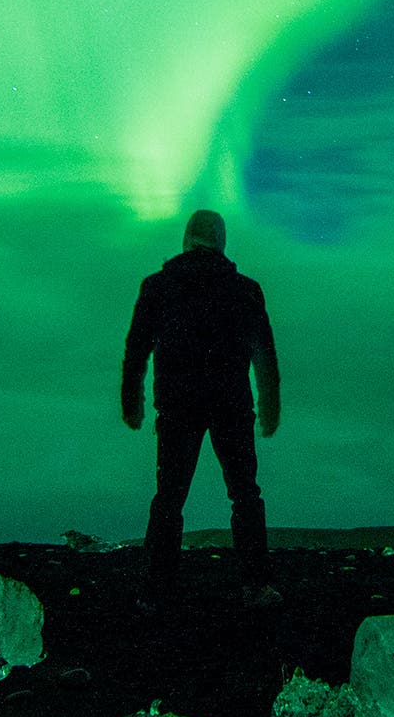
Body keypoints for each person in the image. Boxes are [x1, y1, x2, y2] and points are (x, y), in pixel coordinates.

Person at [121, 208, 282, 609]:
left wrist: (132, 401)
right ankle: (256, 586)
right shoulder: (245, 290)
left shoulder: (158, 287)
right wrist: (270, 403)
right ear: (221, 242)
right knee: (245, 494)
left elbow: (136, 350)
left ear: (187, 239)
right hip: (231, 405)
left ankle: (157, 592)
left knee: (169, 498)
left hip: (178, 405)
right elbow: (265, 353)